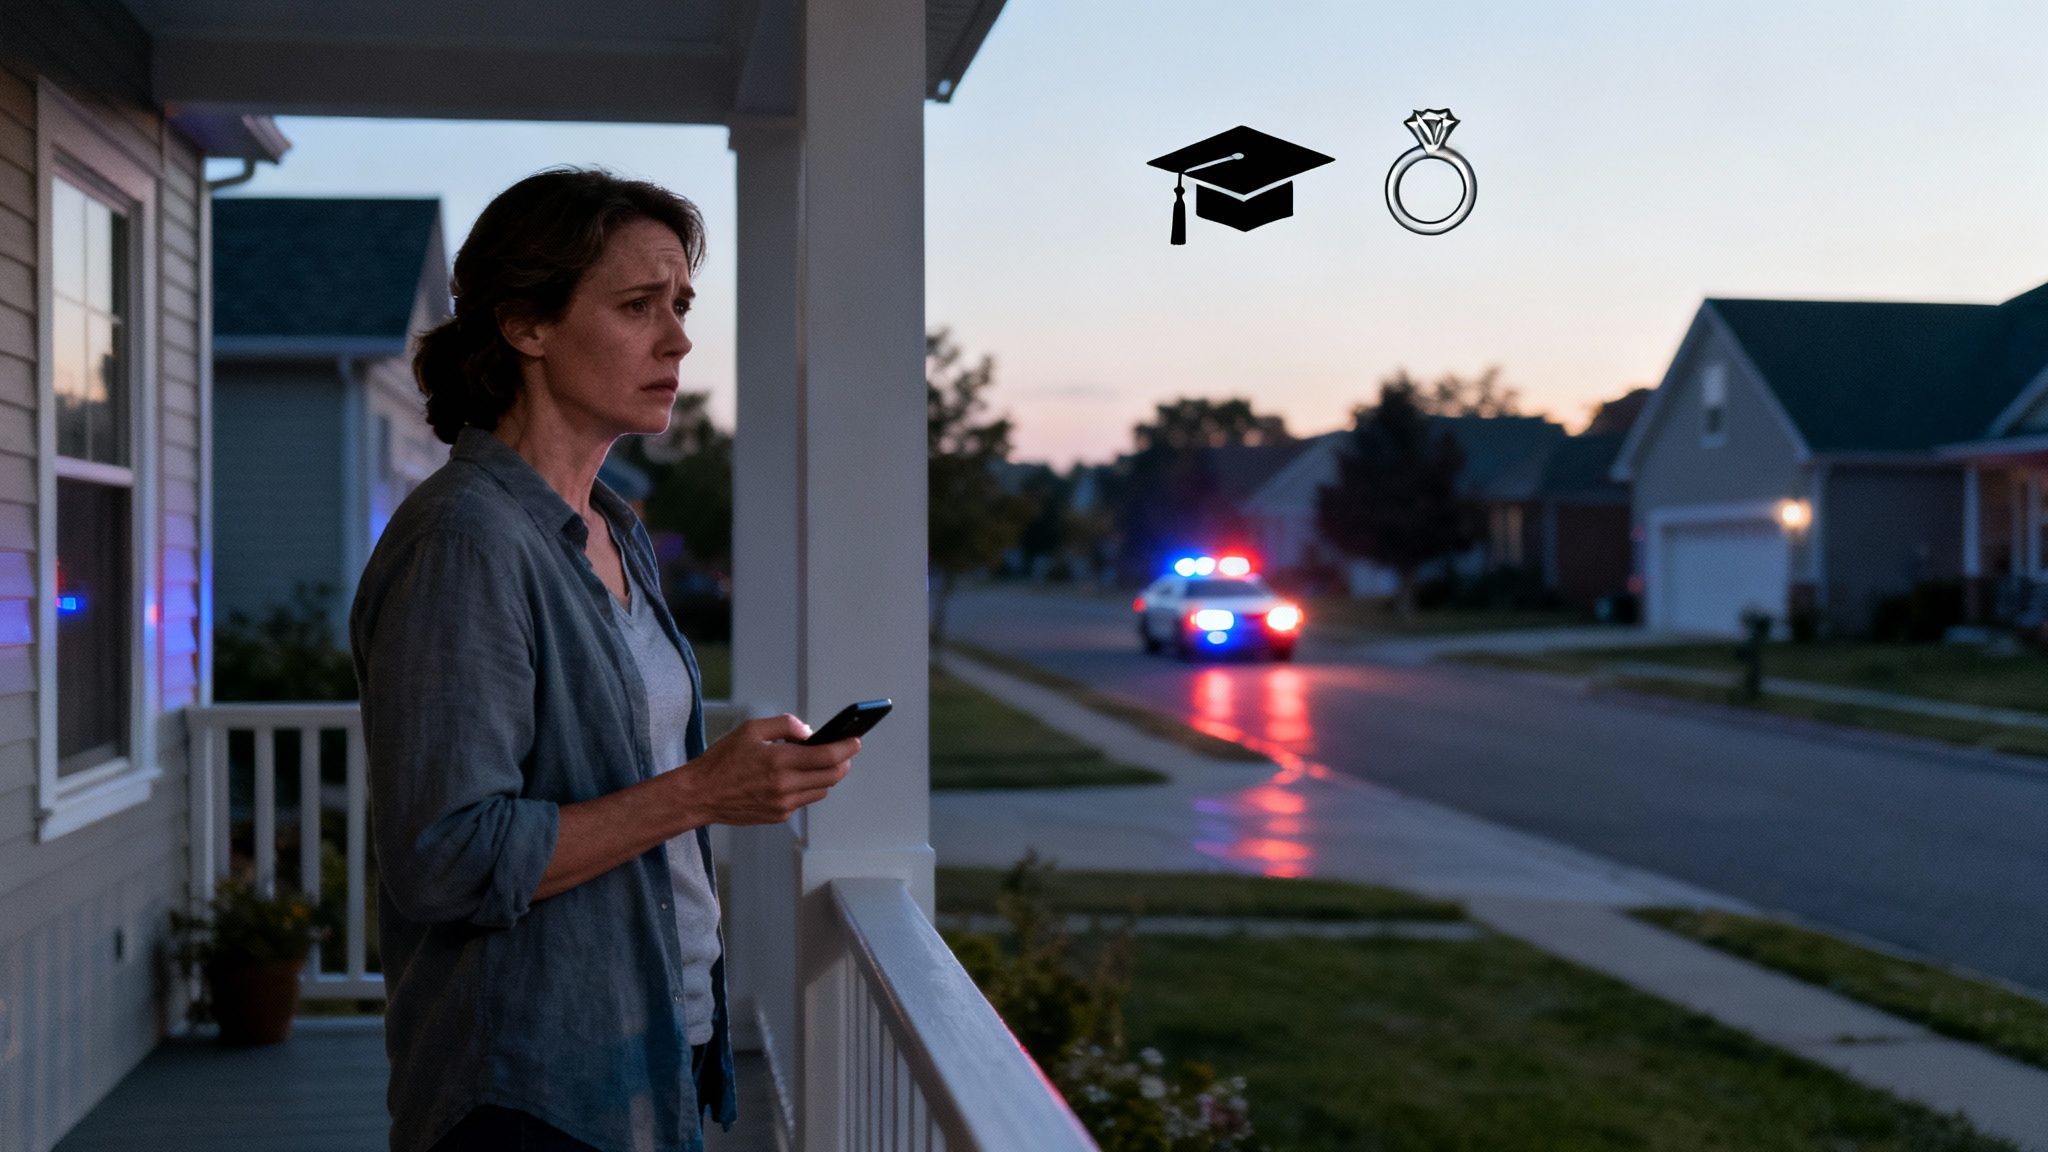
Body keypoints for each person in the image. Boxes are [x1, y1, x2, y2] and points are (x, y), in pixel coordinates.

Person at [349, 167, 860, 1152]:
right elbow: (447, 860)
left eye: (679, 305)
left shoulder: (611, 529)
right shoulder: (466, 543)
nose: (676, 338)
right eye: (637, 306)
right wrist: (702, 792)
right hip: (529, 1089)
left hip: (654, 1050)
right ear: (525, 327)